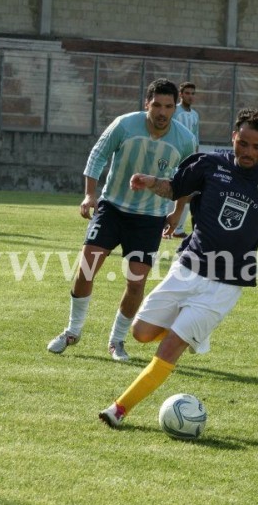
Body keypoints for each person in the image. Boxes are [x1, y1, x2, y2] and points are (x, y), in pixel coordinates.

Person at [98, 108, 258, 428]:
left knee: (170, 347)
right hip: (189, 267)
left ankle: (119, 409)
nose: (248, 152)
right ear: (234, 137)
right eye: (243, 143)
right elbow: (175, 188)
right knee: (140, 333)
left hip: (227, 282)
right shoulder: (209, 164)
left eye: (257, 147)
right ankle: (189, 332)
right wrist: (150, 182)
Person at [47, 78, 196, 362]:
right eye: (157, 105)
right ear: (146, 104)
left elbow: (187, 180)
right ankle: (72, 331)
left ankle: (116, 342)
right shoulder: (125, 125)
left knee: (136, 283)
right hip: (112, 208)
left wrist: (177, 213)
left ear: (175, 107)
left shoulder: (185, 139)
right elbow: (98, 156)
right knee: (86, 267)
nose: (163, 112)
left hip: (149, 219)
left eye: (169, 106)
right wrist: (90, 195)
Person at [167, 81, 200, 239]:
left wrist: (196, 153)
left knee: (186, 191)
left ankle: (178, 228)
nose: (190, 96)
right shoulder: (175, 111)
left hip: (188, 155)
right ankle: (166, 225)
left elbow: (195, 135)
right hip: (173, 154)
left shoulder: (195, 115)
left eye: (193, 93)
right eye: (187, 93)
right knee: (169, 187)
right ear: (180, 95)